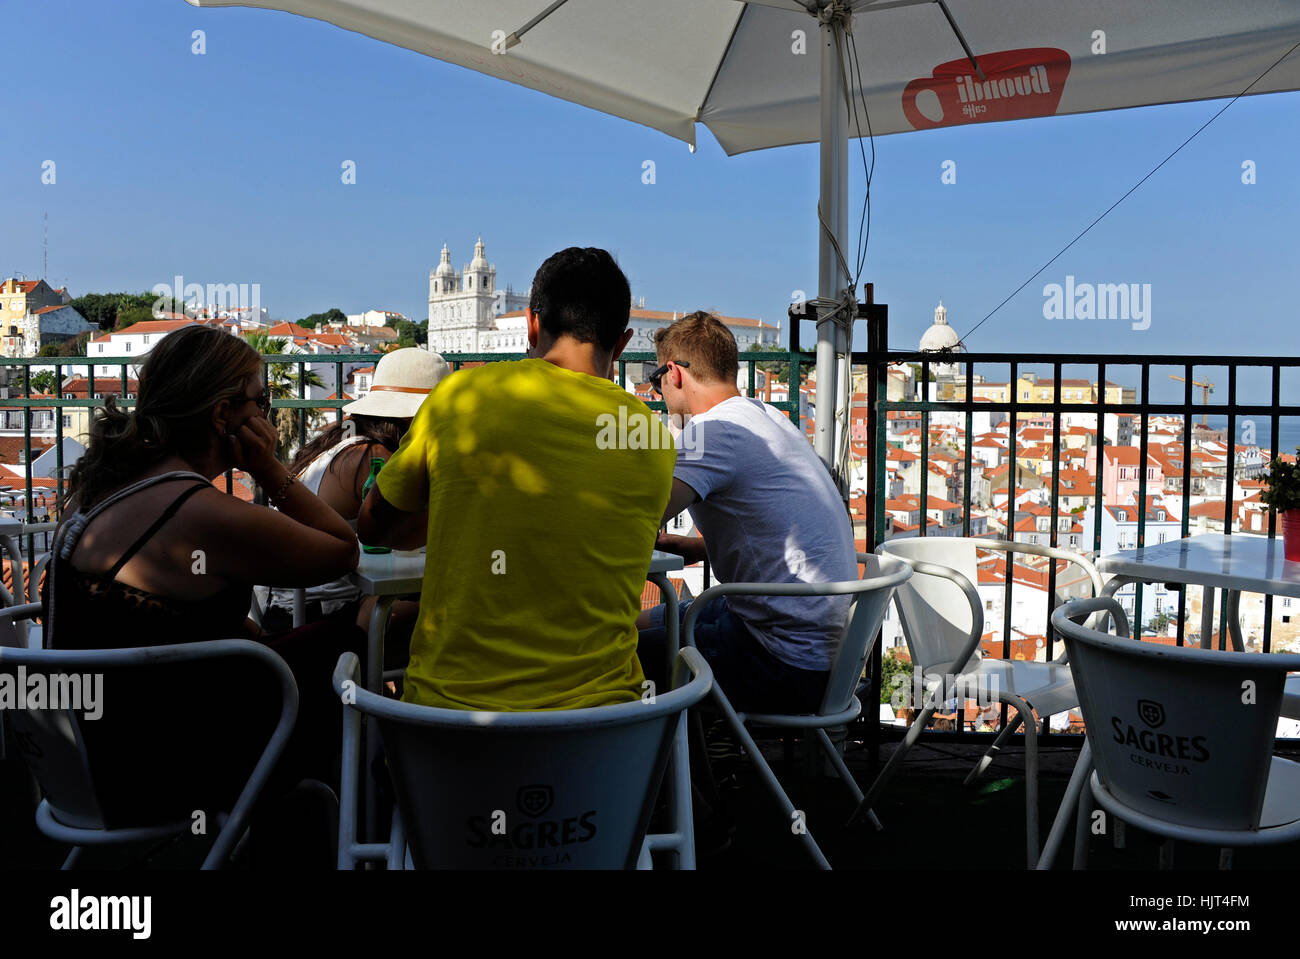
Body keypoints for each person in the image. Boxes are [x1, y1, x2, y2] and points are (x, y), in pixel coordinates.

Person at [43, 324, 366, 840]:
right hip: (164, 771)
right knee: (361, 634)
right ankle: (352, 824)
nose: (265, 415)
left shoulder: (101, 483)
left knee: (321, 641)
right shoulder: (196, 513)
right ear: (222, 415)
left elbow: (153, 617)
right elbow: (339, 550)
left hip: (88, 759)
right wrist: (267, 467)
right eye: (260, 402)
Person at [358, 246, 675, 711]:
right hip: (604, 746)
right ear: (623, 343)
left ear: (530, 323)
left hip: (446, 734)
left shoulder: (461, 396)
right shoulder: (650, 435)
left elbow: (373, 528)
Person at [637, 310, 858, 714]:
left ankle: (678, 771)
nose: (657, 392)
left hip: (781, 663)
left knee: (623, 654)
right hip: (828, 656)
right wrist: (699, 547)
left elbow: (637, 519)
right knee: (651, 621)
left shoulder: (714, 432)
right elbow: (769, 528)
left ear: (675, 373)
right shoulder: (765, 416)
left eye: (656, 381)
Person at [258, 347, 450, 635]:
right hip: (318, 621)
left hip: (283, 609)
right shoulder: (374, 458)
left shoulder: (343, 439)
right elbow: (413, 539)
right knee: (447, 606)